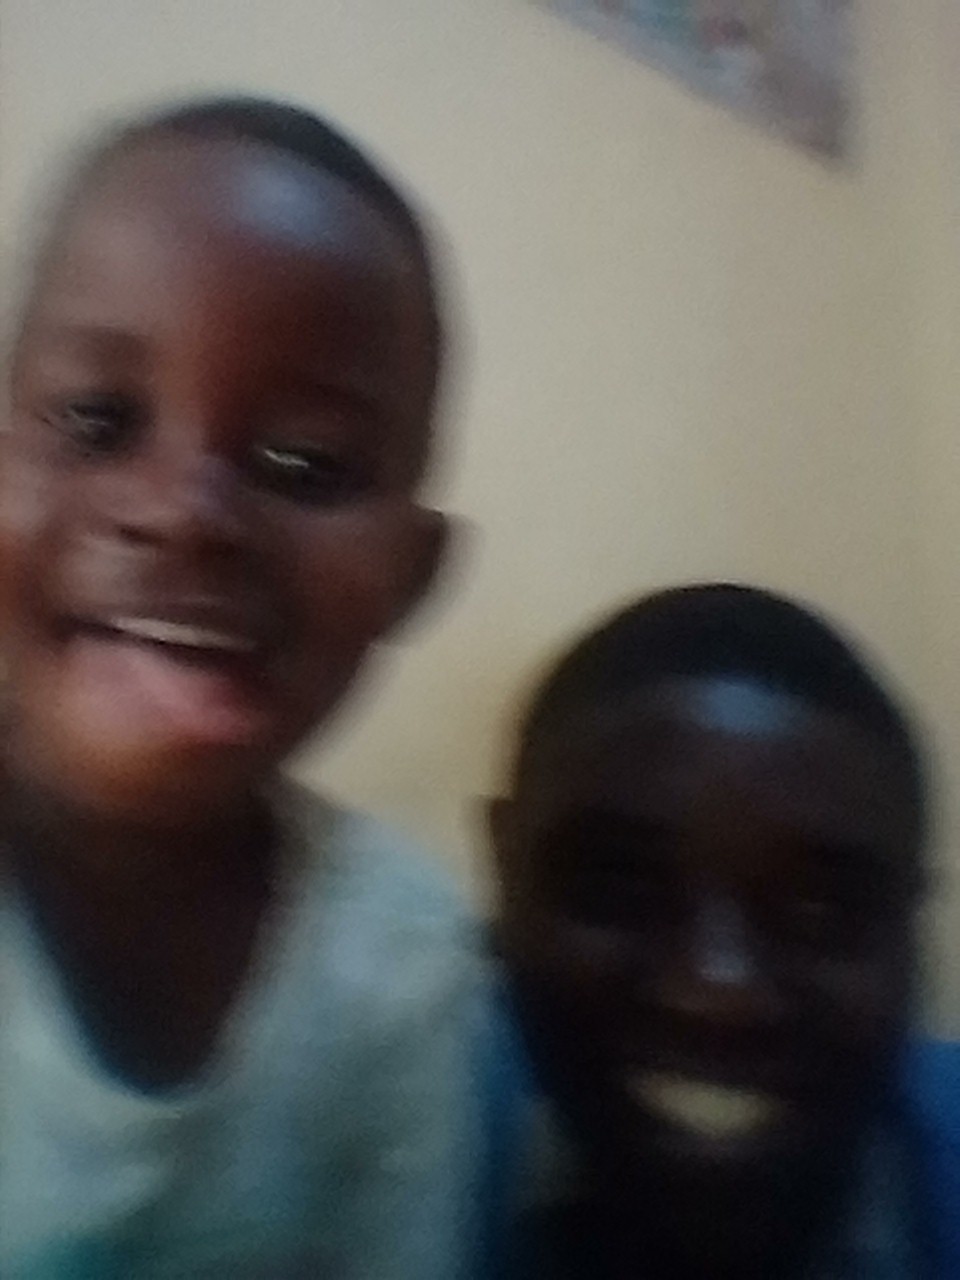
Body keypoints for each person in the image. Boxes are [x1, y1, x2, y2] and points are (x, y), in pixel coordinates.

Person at [0, 95, 491, 1279]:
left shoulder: (400, 961)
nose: (184, 512)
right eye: (99, 419)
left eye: (306, 462)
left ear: (412, 574)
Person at [491, 583, 945, 1278]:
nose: (715, 994)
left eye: (821, 914)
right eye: (620, 889)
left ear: (911, 930)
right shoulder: (387, 1133)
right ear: (504, 870)